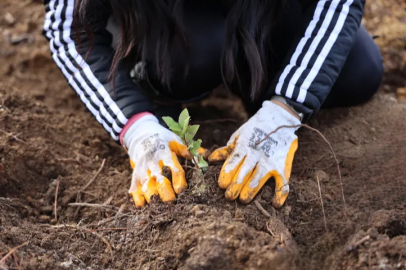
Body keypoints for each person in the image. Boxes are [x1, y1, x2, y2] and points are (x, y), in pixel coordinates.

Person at [42, 0, 383, 208]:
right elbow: (67, 29)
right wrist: (137, 127)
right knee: (192, 56)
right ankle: (150, 79)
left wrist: (284, 109)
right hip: (159, 17)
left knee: (358, 70)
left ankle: (251, 77)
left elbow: (336, 2)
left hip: (251, 9)